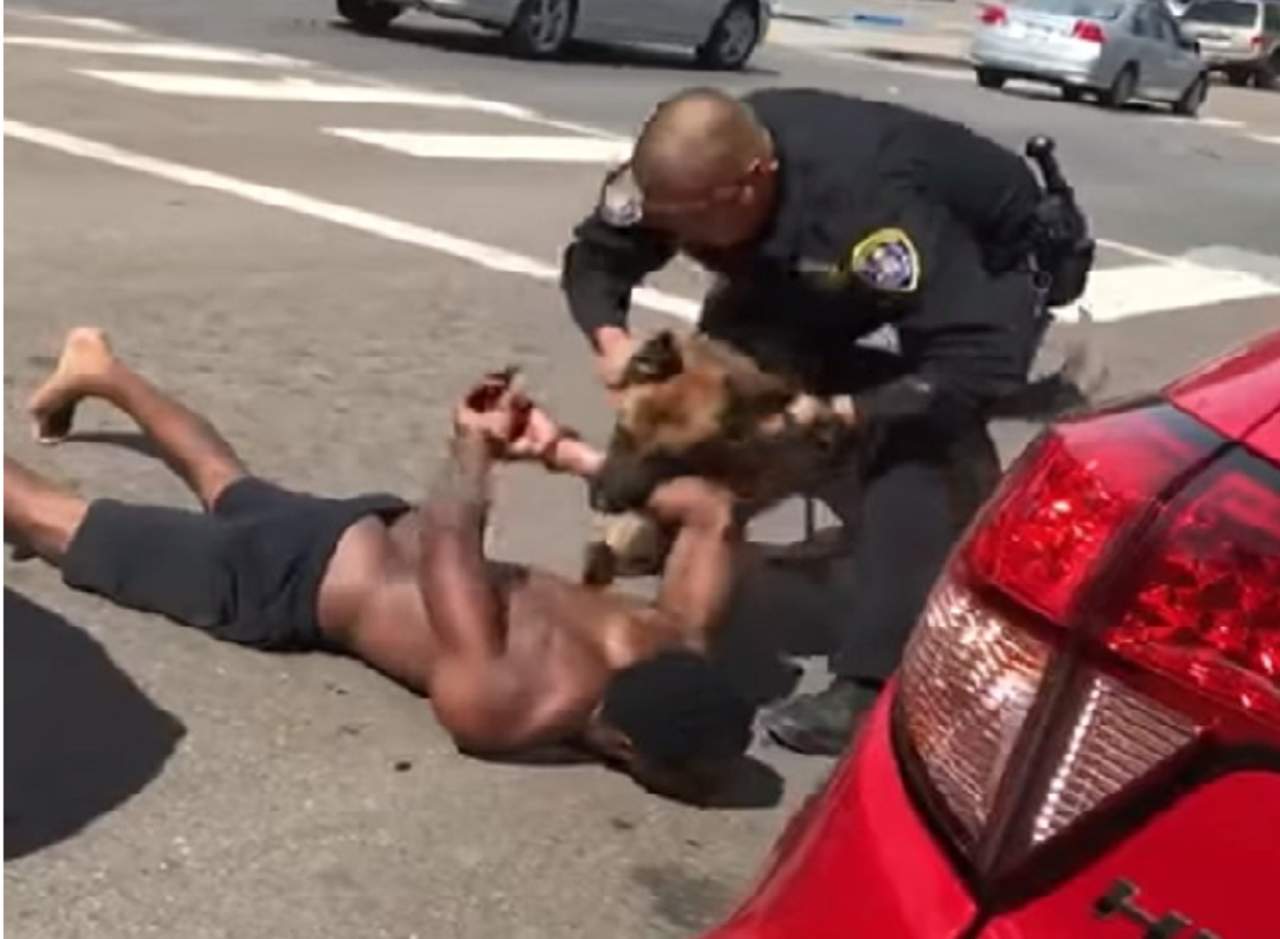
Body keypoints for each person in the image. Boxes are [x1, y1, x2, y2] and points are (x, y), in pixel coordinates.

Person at [5, 328, 755, 803]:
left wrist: (566, 456)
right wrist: (473, 443)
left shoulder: (675, 631)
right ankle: (92, 384)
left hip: (369, 528)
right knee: (51, 520)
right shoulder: (517, 705)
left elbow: (712, 510)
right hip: (290, 581)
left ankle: (100, 368)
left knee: (225, 481)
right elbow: (450, 548)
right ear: (626, 745)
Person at [560, 86, 1091, 755]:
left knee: (910, 445)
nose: (680, 241)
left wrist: (844, 410)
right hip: (815, 257)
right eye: (670, 223)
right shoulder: (683, 174)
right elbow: (597, 256)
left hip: (978, 271)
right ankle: (672, 529)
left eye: (692, 223)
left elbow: (976, 362)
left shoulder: (873, 206)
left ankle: (872, 678)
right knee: (716, 381)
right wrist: (611, 339)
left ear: (752, 181)